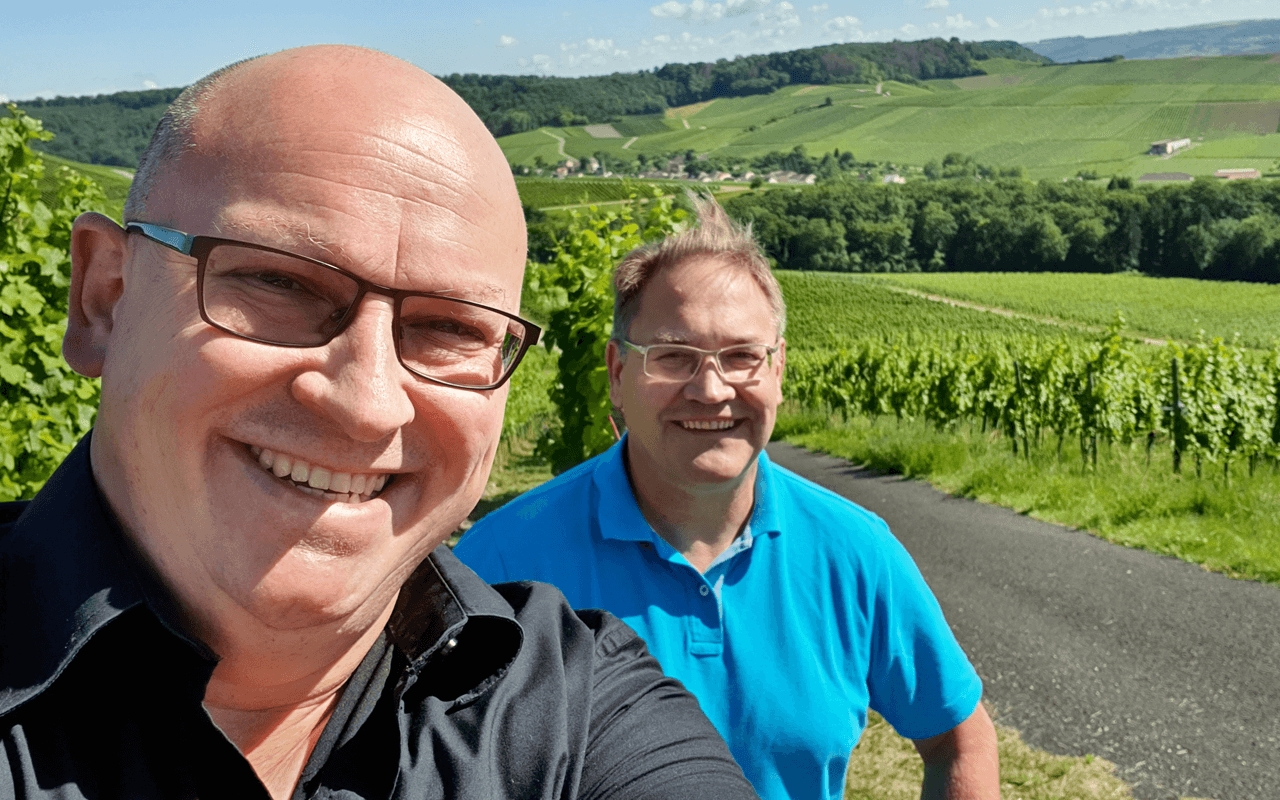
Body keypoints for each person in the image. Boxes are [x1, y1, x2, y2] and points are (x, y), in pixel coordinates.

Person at [0, 47, 758, 800]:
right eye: (277, 280)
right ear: (106, 297)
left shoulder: (579, 717)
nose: (366, 403)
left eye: (452, 328)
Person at [455, 195, 1001, 800]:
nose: (711, 390)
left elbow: (960, 739)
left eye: (742, 357)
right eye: (673, 358)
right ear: (616, 372)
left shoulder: (855, 552)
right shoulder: (501, 564)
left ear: (779, 370)